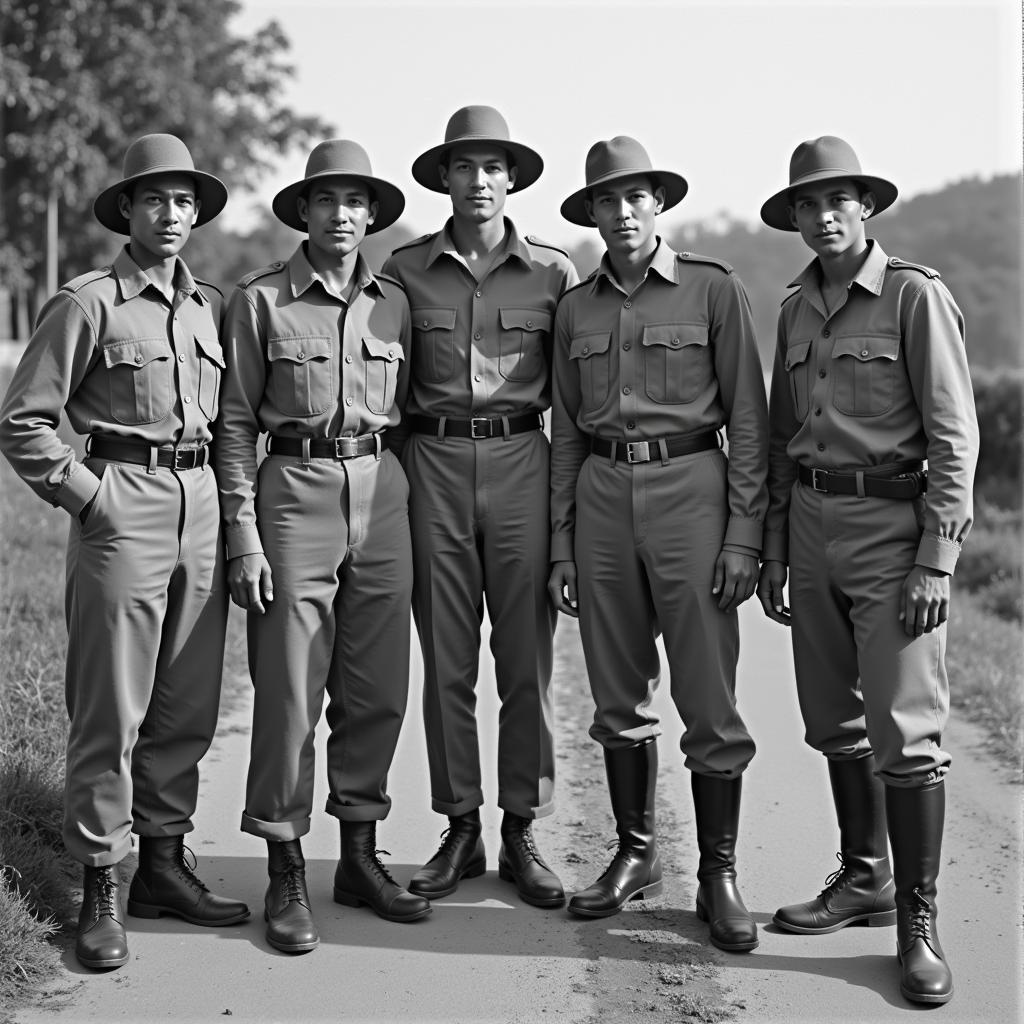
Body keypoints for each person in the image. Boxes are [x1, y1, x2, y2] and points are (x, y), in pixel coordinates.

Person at [0, 134, 249, 970]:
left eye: (183, 201)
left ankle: (164, 867)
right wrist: (90, 496)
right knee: (112, 704)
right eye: (155, 200)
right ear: (128, 211)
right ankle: (100, 881)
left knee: (188, 704)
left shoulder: (211, 305)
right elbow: (23, 420)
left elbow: (228, 427)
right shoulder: (87, 302)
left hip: (202, 506)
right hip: (123, 501)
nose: (170, 215)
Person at [756, 136, 979, 1005]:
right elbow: (780, 438)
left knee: (905, 726)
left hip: (892, 532)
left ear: (866, 206)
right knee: (833, 719)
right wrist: (776, 544)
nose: (821, 217)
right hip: (809, 526)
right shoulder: (795, 311)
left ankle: (917, 923)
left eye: (835, 200)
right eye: (806, 206)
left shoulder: (914, 298)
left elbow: (955, 439)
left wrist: (938, 560)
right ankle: (864, 877)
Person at [549, 137, 768, 952]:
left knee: (708, 695)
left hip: (693, 494)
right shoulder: (575, 309)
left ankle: (718, 873)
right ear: (594, 214)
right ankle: (635, 852)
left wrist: (744, 533)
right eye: (609, 200)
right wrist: (565, 544)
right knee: (616, 692)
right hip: (604, 496)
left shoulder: (714, 289)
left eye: (638, 196)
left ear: (658, 205)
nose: (625, 212)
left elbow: (748, 416)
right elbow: (566, 431)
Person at [214, 139, 428, 954]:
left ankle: (361, 859)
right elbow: (235, 423)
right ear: (302, 211)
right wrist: (243, 535)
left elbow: (404, 411)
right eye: (326, 200)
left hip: (382, 489)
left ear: (372, 214)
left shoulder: (395, 304)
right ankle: (285, 867)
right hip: (292, 496)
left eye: (356, 201)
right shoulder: (260, 301)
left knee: (377, 690)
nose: (342, 214)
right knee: (290, 694)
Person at [381, 106, 578, 908]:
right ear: (444, 178)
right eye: (465, 166)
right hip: (430, 464)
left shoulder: (556, 275)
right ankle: (460, 823)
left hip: (522, 462)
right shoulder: (401, 271)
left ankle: (520, 827)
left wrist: (564, 522)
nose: (480, 180)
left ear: (513, 179)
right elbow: (381, 395)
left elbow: (572, 406)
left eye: (494, 167)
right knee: (448, 662)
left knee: (526, 660)